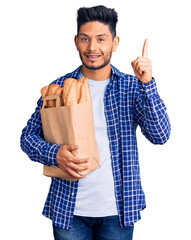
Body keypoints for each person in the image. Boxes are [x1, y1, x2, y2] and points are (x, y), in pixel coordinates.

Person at [20, 5, 171, 240]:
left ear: (115, 42)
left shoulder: (132, 87)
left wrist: (148, 84)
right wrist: (55, 153)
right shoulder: (57, 88)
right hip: (69, 211)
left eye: (101, 39)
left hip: (118, 212)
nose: (92, 48)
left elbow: (160, 134)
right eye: (85, 39)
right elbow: (27, 137)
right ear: (76, 42)